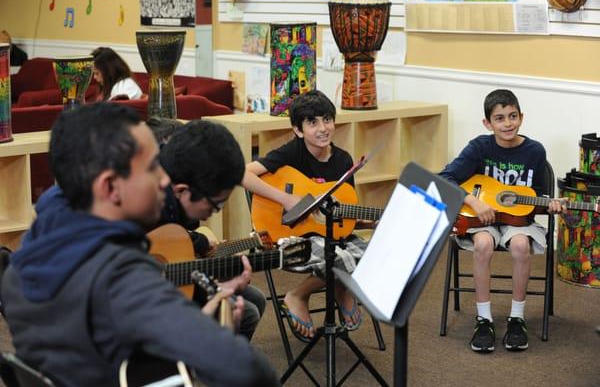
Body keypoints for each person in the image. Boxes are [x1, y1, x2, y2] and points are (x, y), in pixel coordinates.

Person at [0, 102, 279, 386]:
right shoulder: (123, 278)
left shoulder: (28, 255)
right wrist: (211, 335)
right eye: (152, 168)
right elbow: (249, 371)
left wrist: (186, 323)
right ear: (110, 187)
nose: (164, 180)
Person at [439, 89, 564, 353]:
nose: (507, 123)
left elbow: (538, 196)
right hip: (480, 220)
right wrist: (473, 202)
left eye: (512, 116)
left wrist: (550, 204)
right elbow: (444, 178)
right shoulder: (478, 148)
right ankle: (484, 320)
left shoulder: (534, 151)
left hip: (518, 222)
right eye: (499, 118)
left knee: (519, 245)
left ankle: (516, 319)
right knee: (483, 244)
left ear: (521, 117)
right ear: (488, 123)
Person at [242, 90, 369, 341]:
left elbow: (344, 212)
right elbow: (242, 173)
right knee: (339, 257)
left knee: (370, 256)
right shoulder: (292, 153)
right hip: (291, 239)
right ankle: (298, 295)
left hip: (331, 236)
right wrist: (287, 199)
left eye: (327, 119)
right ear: (298, 130)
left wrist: (373, 220)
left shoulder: (343, 160)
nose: (323, 128)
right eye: (312, 122)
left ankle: (339, 285)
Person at [156, 119, 267, 341]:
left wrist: (223, 286)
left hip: (165, 284)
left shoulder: (172, 205)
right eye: (214, 204)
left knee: (252, 299)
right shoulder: (139, 208)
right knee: (245, 312)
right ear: (181, 190)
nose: (213, 213)